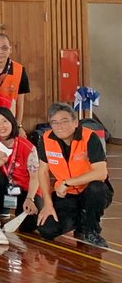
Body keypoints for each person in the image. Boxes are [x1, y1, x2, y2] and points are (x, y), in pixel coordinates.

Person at [36, 102, 112, 248]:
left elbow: (101, 173)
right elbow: (43, 172)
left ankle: (91, 230)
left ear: (75, 122)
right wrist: (48, 204)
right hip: (66, 195)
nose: (59, 126)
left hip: (90, 192)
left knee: (97, 188)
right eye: (54, 122)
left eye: (64, 121)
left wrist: (67, 182)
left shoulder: (89, 137)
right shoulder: (45, 139)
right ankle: (80, 220)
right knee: (47, 230)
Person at [0, 107, 39, 238]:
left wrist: (30, 199)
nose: (1, 126)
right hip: (2, 187)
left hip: (22, 189)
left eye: (4, 121)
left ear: (12, 122)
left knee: (29, 226)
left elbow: (35, 177)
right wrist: (2, 159)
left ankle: (18, 207)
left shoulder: (27, 146)